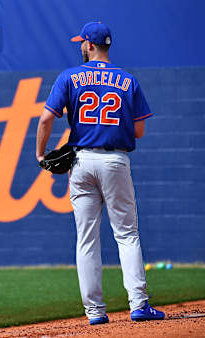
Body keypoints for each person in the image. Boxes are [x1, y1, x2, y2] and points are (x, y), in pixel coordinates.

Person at [35, 21, 165, 325]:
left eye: (82, 42)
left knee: (87, 239)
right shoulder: (127, 80)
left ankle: (94, 312)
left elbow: (44, 120)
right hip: (115, 161)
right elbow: (140, 130)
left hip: (80, 162)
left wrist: (41, 155)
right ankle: (138, 304)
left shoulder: (69, 77)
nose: (81, 46)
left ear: (90, 45)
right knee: (127, 234)